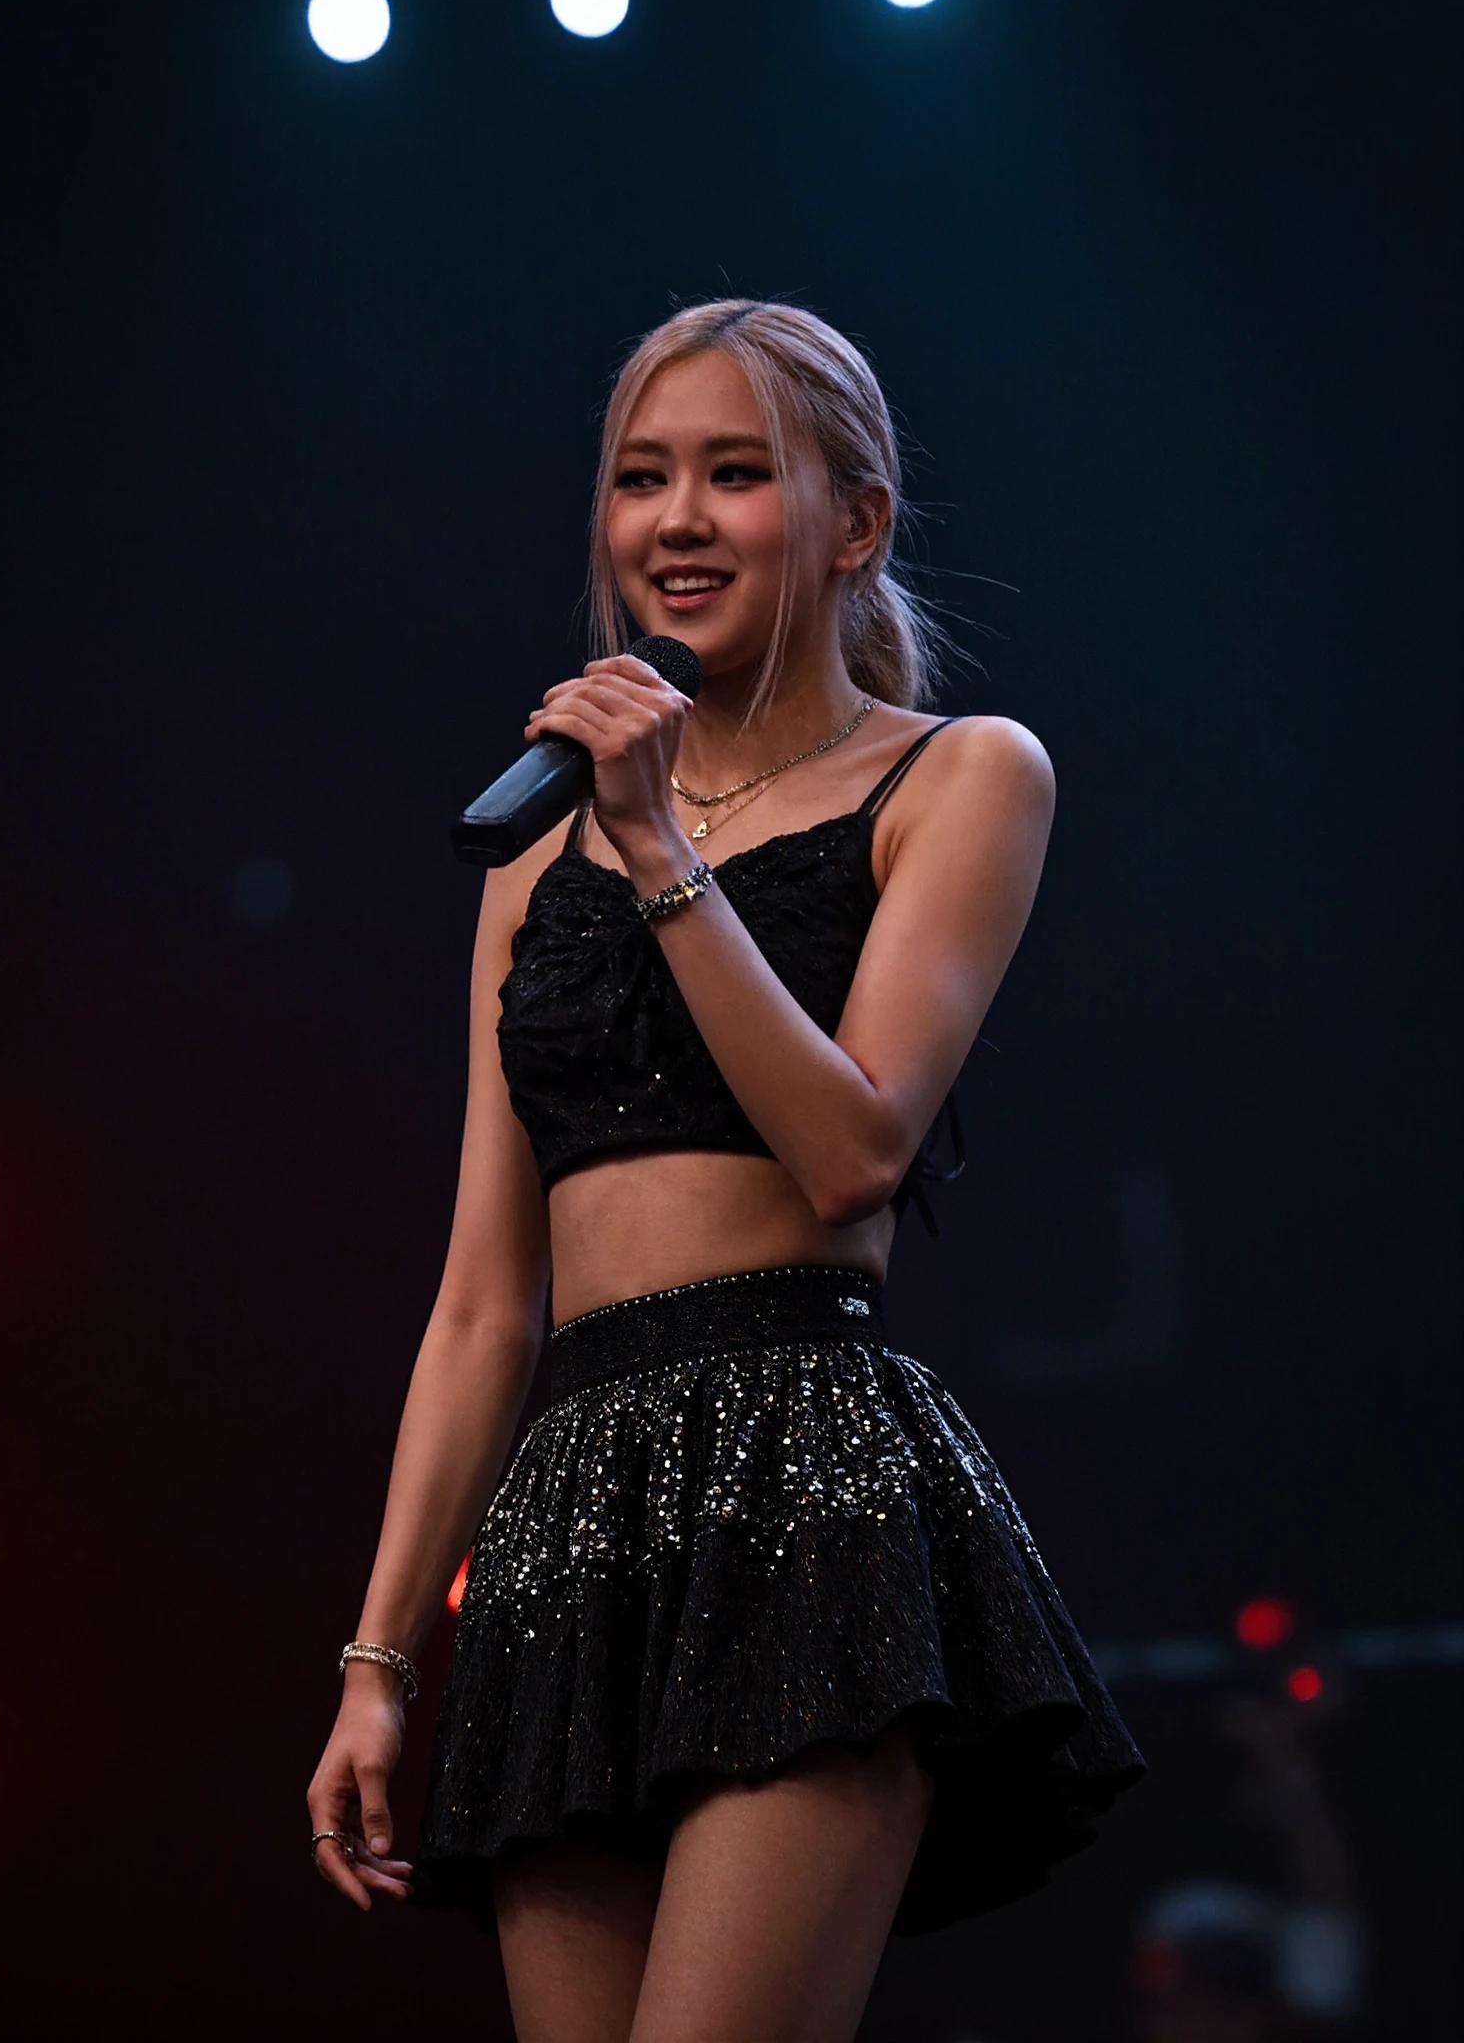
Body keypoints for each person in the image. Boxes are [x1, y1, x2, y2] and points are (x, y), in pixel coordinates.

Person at [306, 298, 1147, 2043]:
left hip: (803, 1480)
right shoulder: (535, 860)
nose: (676, 520)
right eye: (641, 479)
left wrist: (664, 848)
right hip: (569, 1521)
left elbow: (855, 1152)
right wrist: (379, 1664)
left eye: (736, 475)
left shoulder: (955, 778)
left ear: (855, 524)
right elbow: (480, 1306)